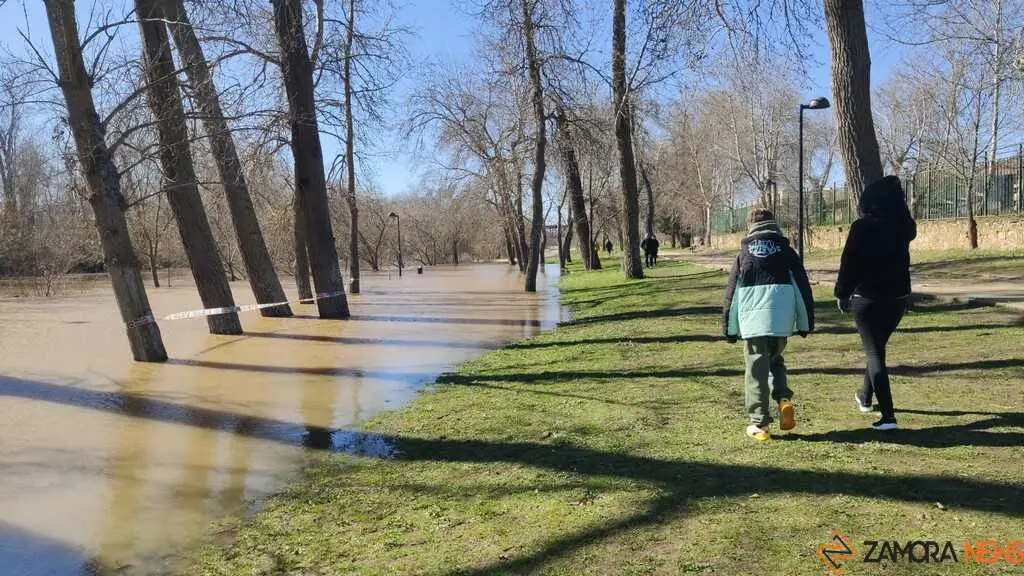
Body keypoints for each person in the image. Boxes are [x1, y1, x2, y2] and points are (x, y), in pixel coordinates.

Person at [722, 208, 814, 441]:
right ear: (774, 225)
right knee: (775, 360)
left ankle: (759, 423)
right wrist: (805, 323)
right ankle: (783, 399)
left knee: (756, 371)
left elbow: (731, 294)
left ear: (750, 226)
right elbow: (802, 288)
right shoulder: (787, 252)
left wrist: (729, 328)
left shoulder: (744, 255)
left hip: (753, 323)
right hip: (780, 322)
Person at [835, 175, 917, 431]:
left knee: (875, 353)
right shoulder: (903, 228)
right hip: (897, 297)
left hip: (868, 297)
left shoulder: (863, 227)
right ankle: (865, 396)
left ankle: (888, 416)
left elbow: (850, 263)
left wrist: (842, 293)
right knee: (876, 349)